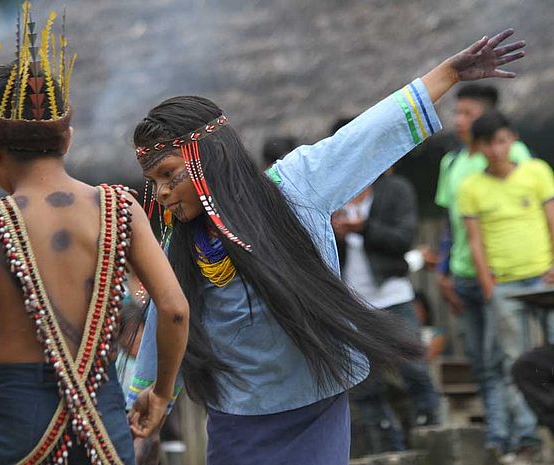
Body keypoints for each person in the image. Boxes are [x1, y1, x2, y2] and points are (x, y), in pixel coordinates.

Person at [129, 30, 526, 465]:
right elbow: (164, 318)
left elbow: (368, 131)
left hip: (316, 404)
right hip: (239, 415)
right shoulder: (181, 242)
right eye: (154, 184)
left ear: (207, 155)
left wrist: (449, 74)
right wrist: (147, 395)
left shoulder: (296, 185)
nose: (163, 193)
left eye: (170, 174)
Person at [0, 5, 189, 465]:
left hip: (17, 419)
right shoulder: (121, 209)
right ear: (67, 138)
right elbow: (173, 309)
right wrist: (162, 392)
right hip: (103, 413)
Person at [433, 83, 532, 455]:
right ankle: (496, 436)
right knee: (480, 361)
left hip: (501, 275)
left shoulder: (509, 154)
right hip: (464, 275)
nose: (458, 120)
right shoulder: (452, 162)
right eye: (456, 113)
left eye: (467, 114)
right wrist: (443, 273)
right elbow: (449, 223)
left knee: (505, 357)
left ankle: (519, 436)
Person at [458, 110, 554, 462]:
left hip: (545, 280)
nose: (496, 150)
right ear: (477, 148)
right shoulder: (471, 187)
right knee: (516, 362)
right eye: (488, 144)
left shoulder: (537, 172)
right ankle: (528, 438)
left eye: (501, 141)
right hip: (506, 286)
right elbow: (475, 242)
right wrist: (487, 283)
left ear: (512, 139)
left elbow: (552, 220)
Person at [332, 172, 440, 455]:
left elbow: (403, 238)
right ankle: (385, 451)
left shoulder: (394, 189)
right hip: (352, 303)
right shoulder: (334, 191)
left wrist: (363, 229)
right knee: (364, 385)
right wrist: (336, 234)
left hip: (393, 295)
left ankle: (432, 441)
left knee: (415, 371)